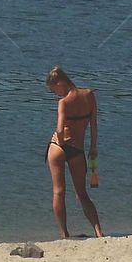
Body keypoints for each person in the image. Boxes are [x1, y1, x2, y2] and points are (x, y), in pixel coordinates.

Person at [45, 65, 102, 238]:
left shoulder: (63, 102)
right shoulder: (89, 95)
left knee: (58, 192)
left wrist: (61, 141)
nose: (55, 94)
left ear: (60, 83)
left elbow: (60, 130)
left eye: (54, 89)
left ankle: (64, 234)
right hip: (78, 149)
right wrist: (93, 147)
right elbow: (93, 125)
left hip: (58, 148)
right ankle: (99, 232)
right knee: (82, 194)